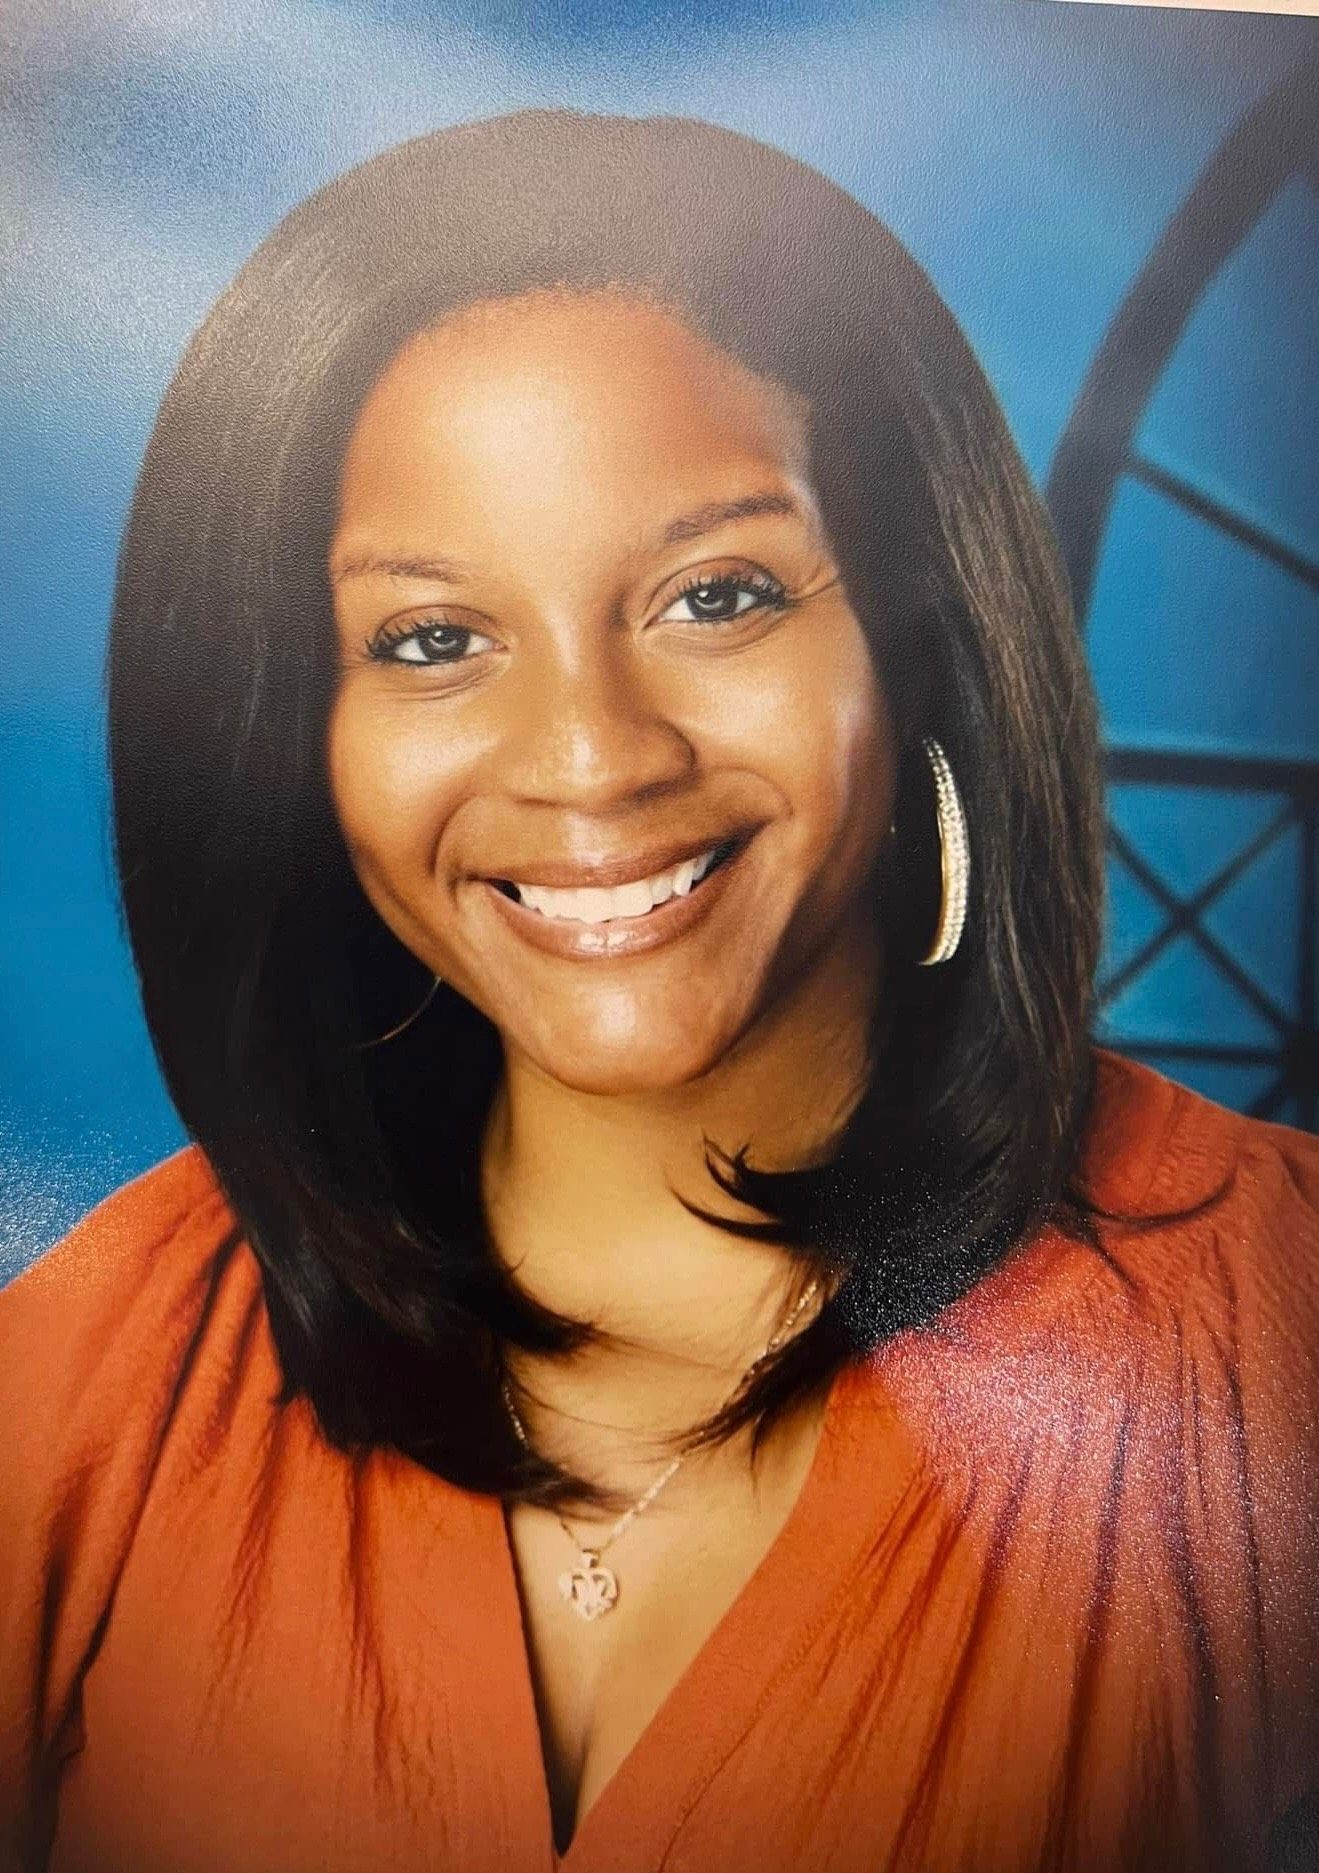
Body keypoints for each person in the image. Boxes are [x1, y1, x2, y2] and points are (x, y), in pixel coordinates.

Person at [1, 108, 1316, 1873]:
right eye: (429, 639)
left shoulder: (1278, 1334)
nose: (592, 758)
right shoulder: (95, 1377)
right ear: (291, 728)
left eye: (718, 593)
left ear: (924, 638)